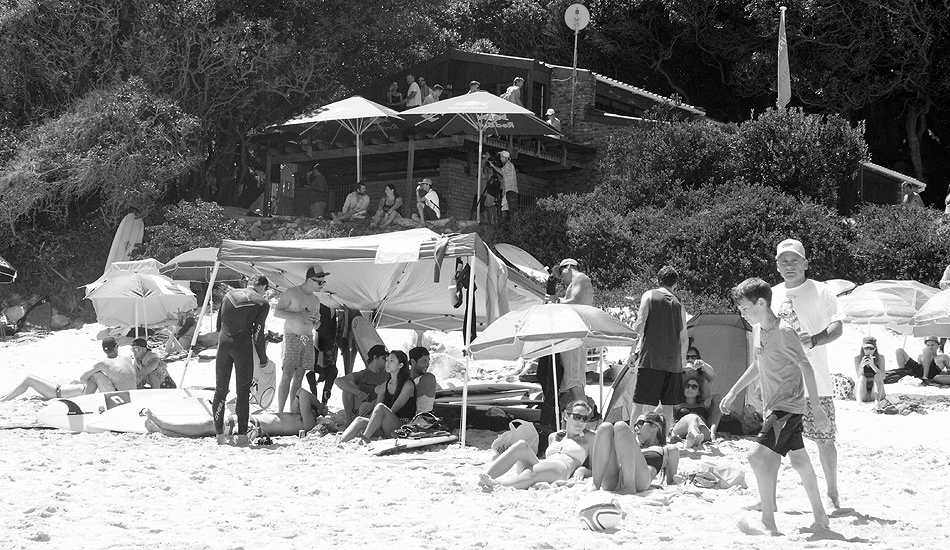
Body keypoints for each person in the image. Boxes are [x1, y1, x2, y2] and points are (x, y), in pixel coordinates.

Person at [722, 277, 830, 536]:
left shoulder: (784, 332)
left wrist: (816, 407)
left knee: (757, 457)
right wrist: (733, 391)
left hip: (788, 407)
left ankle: (768, 520)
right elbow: (757, 365)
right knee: (800, 461)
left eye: (745, 308)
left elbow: (806, 366)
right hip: (774, 407)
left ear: (761, 303)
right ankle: (821, 516)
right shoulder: (760, 330)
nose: (742, 313)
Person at [771, 238, 844, 511]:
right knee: (773, 442)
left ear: (805, 263)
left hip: (817, 382)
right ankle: (769, 498)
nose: (789, 266)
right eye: (783, 261)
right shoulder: (772, 293)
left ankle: (833, 494)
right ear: (777, 266)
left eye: (794, 260)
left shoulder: (821, 291)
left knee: (825, 440)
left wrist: (812, 340)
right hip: (781, 383)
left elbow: (837, 328)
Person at [478, 400, 595, 490]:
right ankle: (486, 477)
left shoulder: (589, 438)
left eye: (585, 419)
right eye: (577, 417)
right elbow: (547, 460)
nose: (580, 422)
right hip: (544, 467)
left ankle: (500, 485)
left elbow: (596, 468)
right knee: (521, 445)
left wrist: (583, 470)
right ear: (566, 416)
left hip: (561, 469)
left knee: (533, 470)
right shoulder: (554, 436)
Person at [212, 276, 269, 445]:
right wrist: (263, 358)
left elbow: (218, 326)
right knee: (242, 393)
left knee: (220, 391)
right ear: (264, 287)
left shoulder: (228, 295)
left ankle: (220, 435)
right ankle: (242, 436)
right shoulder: (262, 303)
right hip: (242, 347)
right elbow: (258, 335)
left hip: (223, 345)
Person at [630, 266, 688, 431]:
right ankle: (665, 439)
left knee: (639, 402)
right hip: (674, 363)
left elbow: (639, 325)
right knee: (668, 405)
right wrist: (682, 362)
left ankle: (633, 436)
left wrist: (632, 352)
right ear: (675, 284)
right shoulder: (679, 303)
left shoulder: (649, 295)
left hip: (651, 359)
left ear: (658, 280)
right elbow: (684, 338)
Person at [146, 388, 326, 439]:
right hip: (250, 421)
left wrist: (319, 405)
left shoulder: (307, 423)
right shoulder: (298, 418)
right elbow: (299, 396)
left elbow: (302, 392)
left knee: (210, 425)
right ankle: (162, 430)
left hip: (252, 425)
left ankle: (163, 425)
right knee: (209, 427)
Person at [2, 338, 136, 400]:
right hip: (123, 394)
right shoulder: (127, 359)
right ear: (117, 347)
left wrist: (86, 382)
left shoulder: (103, 363)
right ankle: (3, 398)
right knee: (31, 377)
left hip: (58, 392)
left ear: (103, 350)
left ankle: (3, 400)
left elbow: (83, 378)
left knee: (28, 378)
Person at [274, 267, 326, 414]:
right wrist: (299, 315)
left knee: (299, 376)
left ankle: (292, 411)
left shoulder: (316, 299)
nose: (322, 285)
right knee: (287, 373)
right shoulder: (292, 292)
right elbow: (277, 312)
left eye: (323, 282)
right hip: (292, 335)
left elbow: (317, 325)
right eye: (320, 282)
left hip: (307, 337)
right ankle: (280, 410)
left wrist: (317, 322)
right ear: (310, 280)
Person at [339, 350, 416, 443]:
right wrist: (370, 422)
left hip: (400, 427)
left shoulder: (408, 385)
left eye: (391, 360)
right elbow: (376, 410)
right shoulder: (385, 385)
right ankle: (340, 442)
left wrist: (374, 422)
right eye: (387, 360)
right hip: (385, 425)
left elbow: (393, 410)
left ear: (400, 365)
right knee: (360, 420)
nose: (387, 363)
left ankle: (363, 440)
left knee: (380, 407)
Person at [592, 412, 680, 493]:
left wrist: (677, 480)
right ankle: (595, 484)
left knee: (621, 426)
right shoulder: (633, 445)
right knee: (605, 427)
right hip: (616, 478)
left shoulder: (668, 449)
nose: (636, 428)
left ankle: (629, 487)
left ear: (655, 426)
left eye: (640, 423)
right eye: (635, 425)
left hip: (639, 481)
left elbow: (671, 481)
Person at [551, 258, 594, 404]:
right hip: (574, 334)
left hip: (575, 334)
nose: (561, 276)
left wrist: (555, 301)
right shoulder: (576, 282)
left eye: (561, 271)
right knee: (572, 379)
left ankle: (582, 416)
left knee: (574, 380)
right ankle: (581, 414)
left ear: (569, 267)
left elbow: (575, 301)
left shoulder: (580, 278)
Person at [335, 344, 390, 425]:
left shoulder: (388, 375)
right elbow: (339, 381)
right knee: (347, 387)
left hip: (378, 407)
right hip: (361, 409)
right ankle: (348, 422)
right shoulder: (363, 374)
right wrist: (358, 393)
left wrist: (373, 404)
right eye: (384, 358)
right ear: (375, 357)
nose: (387, 362)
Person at [672, 367, 721, 450]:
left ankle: (692, 439)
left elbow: (718, 398)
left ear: (699, 392)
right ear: (683, 389)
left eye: (694, 387)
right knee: (693, 417)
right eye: (687, 386)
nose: (690, 388)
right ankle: (693, 432)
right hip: (681, 429)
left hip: (702, 430)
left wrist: (710, 397)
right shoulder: (678, 405)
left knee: (696, 420)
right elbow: (660, 411)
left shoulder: (704, 404)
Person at [306, 303, 339, 404]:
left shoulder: (324, 302)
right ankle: (319, 400)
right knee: (328, 371)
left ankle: (320, 400)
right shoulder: (326, 301)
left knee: (329, 371)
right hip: (325, 341)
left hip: (326, 341)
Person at [854, 336, 886, 402]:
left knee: (877, 376)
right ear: (862, 348)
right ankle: (859, 402)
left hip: (876, 390)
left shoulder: (880, 358)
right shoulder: (858, 358)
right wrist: (861, 366)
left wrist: (873, 366)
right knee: (862, 377)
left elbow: (883, 377)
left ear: (875, 349)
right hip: (863, 389)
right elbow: (859, 377)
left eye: (871, 348)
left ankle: (877, 402)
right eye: (866, 348)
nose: (868, 351)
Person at [489, 150, 517, 221]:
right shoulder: (507, 166)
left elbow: (501, 171)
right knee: (504, 209)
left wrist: (492, 165)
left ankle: (515, 225)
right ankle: (503, 226)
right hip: (506, 192)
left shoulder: (510, 165)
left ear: (506, 158)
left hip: (511, 191)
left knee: (512, 211)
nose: (501, 158)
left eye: (502, 156)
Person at [408, 346, 438, 413]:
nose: (427, 364)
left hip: (420, 420)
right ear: (413, 362)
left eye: (428, 361)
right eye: (424, 361)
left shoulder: (429, 378)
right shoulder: (406, 377)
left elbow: (408, 397)